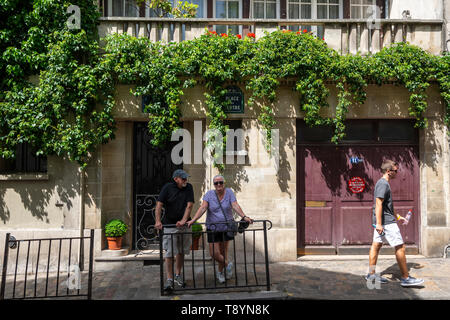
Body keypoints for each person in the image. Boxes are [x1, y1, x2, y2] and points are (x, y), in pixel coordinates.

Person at [366, 160, 424, 287]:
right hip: (386, 223)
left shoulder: (383, 183)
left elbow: (387, 206)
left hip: (383, 221)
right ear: (388, 171)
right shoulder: (383, 184)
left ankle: (371, 275)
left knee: (376, 246)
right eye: (395, 171)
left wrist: (397, 216)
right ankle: (405, 278)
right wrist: (380, 224)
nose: (397, 173)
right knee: (400, 247)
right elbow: (378, 204)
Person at [187, 175, 253, 284]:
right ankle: (228, 264)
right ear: (214, 185)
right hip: (212, 227)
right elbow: (203, 208)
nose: (219, 185)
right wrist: (193, 220)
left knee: (223, 251)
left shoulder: (229, 193)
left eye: (220, 182)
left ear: (224, 183)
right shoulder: (209, 194)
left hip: (226, 227)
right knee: (214, 253)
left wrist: (244, 216)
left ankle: (220, 272)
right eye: (216, 183)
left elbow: (235, 205)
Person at [155, 169, 194, 292]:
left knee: (181, 251)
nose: (185, 180)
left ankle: (178, 275)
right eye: (183, 178)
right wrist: (157, 221)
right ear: (175, 178)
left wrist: (183, 220)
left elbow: (190, 205)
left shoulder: (189, 187)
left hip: (184, 225)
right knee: (170, 253)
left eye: (186, 178)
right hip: (170, 224)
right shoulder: (167, 188)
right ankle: (170, 279)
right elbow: (159, 205)